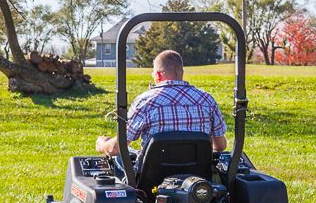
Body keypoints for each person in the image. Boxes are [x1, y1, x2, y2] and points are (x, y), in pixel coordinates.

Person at [95, 49, 228, 158]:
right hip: (199, 177)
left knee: (120, 158)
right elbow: (220, 146)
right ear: (181, 73)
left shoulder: (145, 102)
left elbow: (117, 148)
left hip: (152, 180)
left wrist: (102, 144)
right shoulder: (206, 100)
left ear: (158, 75)